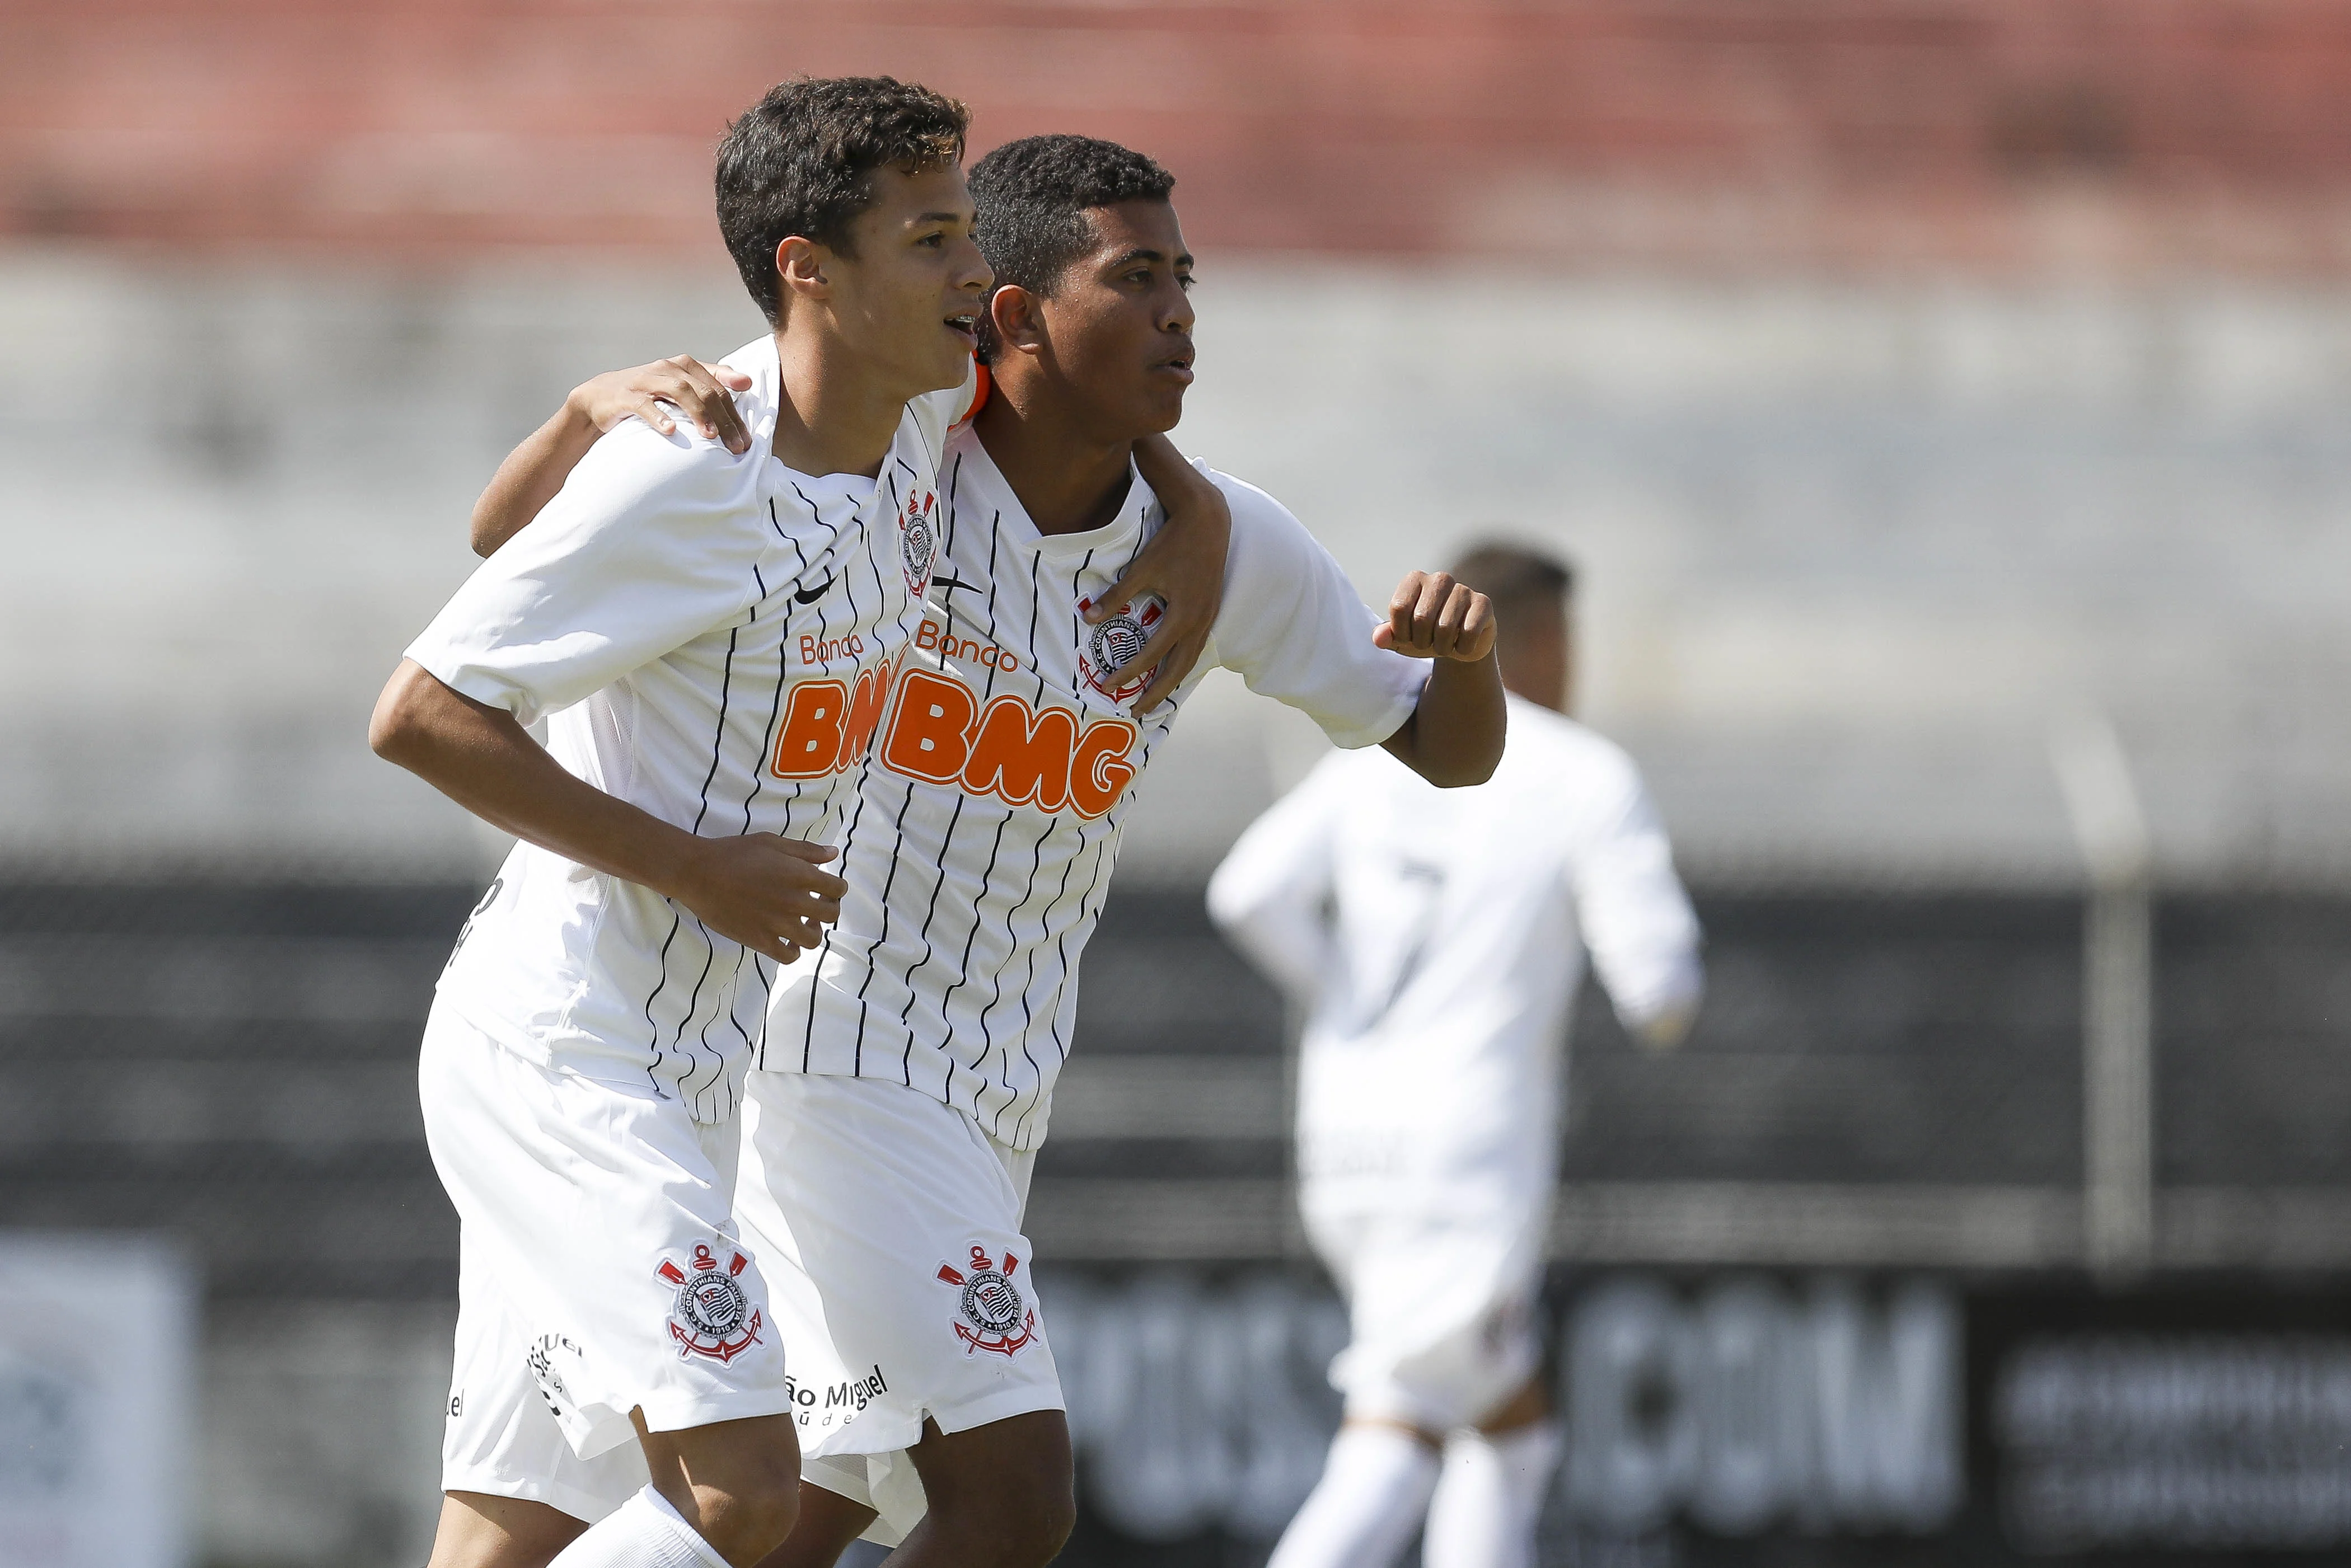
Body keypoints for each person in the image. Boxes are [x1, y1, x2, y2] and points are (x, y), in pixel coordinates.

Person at [468, 135, 1509, 1567]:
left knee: (778, 1506)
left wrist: (1466, 663)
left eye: (1184, 278)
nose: (1182, 314)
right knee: (1008, 1500)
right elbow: (532, 542)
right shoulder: (885, 447)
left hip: (990, 1088)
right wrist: (591, 412)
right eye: (1135, 280)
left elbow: (1445, 749)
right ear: (1011, 317)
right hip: (820, 1052)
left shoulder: (1226, 546)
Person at [371, 81, 1231, 1568]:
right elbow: (422, 710)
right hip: (567, 1051)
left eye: (968, 234)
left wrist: (1199, 516)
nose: (973, 275)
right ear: (808, 272)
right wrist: (693, 868)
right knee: (758, 1495)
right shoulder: (703, 464)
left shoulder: (899, 428)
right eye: (933, 240)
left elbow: (1081, 403)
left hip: (699, 1064)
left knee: (507, 1529)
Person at [1208, 544, 1704, 1568]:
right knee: (1394, 1439)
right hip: (1470, 1168)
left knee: (1512, 1424)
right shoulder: (1583, 772)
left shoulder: (1375, 756)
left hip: (1345, 1156)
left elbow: (1246, 894)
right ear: (1551, 639)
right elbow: (1658, 992)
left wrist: (1348, 996)